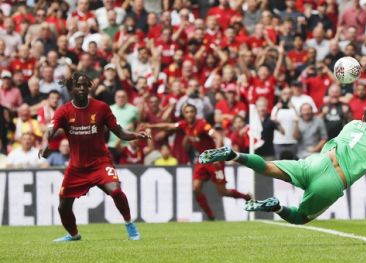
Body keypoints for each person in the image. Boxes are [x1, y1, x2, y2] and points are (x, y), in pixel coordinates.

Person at [199, 104, 366, 225]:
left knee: (268, 167)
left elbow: (340, 144)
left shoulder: (352, 124)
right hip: (333, 182)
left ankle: (234, 155)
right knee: (301, 218)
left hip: (317, 161)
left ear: (363, 117)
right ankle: (276, 207)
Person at [38, 72, 150, 242]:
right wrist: (45, 143)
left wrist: (136, 135)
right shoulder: (64, 110)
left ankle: (129, 225)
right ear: (71, 88)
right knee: (63, 207)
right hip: (76, 168)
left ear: (89, 87)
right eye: (78, 85)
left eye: (85, 85)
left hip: (100, 163)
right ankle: (74, 235)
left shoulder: (101, 107)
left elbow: (119, 132)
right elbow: (49, 131)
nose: (82, 88)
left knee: (116, 191)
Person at [146, 104, 251, 220]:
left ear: (195, 113)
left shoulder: (202, 124)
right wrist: (151, 125)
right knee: (195, 189)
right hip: (202, 161)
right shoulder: (184, 124)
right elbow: (168, 126)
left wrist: (216, 154)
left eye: (191, 111)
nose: (189, 114)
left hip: (215, 162)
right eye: (187, 112)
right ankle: (210, 216)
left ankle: (246, 196)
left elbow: (217, 136)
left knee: (222, 192)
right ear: (184, 114)